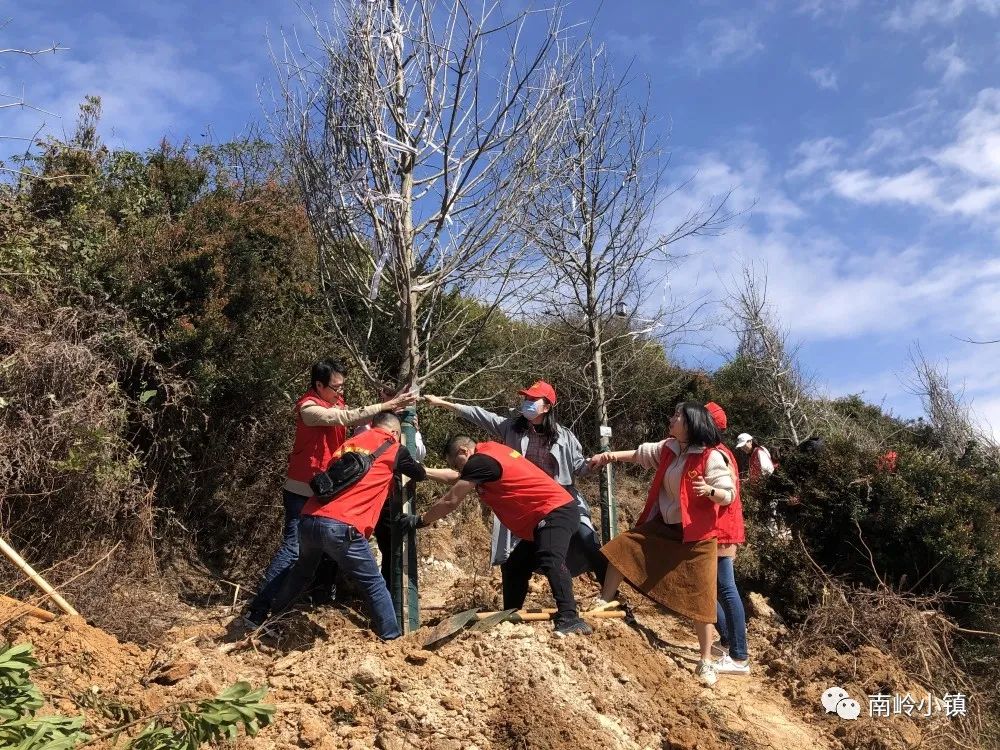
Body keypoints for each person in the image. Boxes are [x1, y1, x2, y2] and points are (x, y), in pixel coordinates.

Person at [244, 361, 417, 626]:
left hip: (327, 491)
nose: (340, 392)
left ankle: (298, 605)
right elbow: (344, 418)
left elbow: (359, 418)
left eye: (342, 387)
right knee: (293, 550)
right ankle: (258, 612)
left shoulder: (335, 402)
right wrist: (384, 407)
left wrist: (390, 411)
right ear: (319, 386)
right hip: (303, 490)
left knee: (309, 559)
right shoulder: (308, 408)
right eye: (335, 387)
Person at [269, 412, 457, 639]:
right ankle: (392, 638)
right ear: (395, 433)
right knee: (374, 583)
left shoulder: (349, 444)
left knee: (301, 572)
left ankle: (273, 620)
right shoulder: (393, 446)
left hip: (309, 518)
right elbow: (417, 472)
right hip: (343, 526)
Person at [423, 381, 606, 611]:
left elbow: (579, 467)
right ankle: (512, 611)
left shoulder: (565, 437)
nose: (526, 404)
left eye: (532, 400)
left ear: (547, 407)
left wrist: (593, 464)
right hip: (523, 503)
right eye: (525, 399)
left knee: (587, 540)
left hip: (560, 499)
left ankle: (607, 596)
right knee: (514, 560)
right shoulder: (511, 428)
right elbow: (479, 415)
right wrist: (444, 404)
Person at [589, 402, 736, 686]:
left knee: (701, 599)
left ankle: (705, 662)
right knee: (624, 545)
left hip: (697, 537)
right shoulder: (670, 448)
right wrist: (609, 456)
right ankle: (605, 600)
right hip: (665, 528)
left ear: (691, 423)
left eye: (677, 416)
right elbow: (641, 454)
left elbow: (727, 493)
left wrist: (710, 491)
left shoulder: (711, 456)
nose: (672, 419)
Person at [400, 435, 594, 637]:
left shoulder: (480, 461)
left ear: (463, 451)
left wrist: (421, 520)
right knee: (514, 565)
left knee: (550, 558)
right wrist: (422, 472)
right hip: (547, 514)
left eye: (457, 464)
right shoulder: (489, 455)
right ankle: (511, 616)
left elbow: (451, 500)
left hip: (554, 511)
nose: (459, 470)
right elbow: (455, 477)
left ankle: (571, 618)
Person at [704, 402, 750, 676]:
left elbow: (725, 496)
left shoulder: (718, 455)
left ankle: (739, 656)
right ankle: (730, 643)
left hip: (720, 530)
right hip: (720, 529)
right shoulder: (722, 452)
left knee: (725, 588)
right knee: (711, 588)